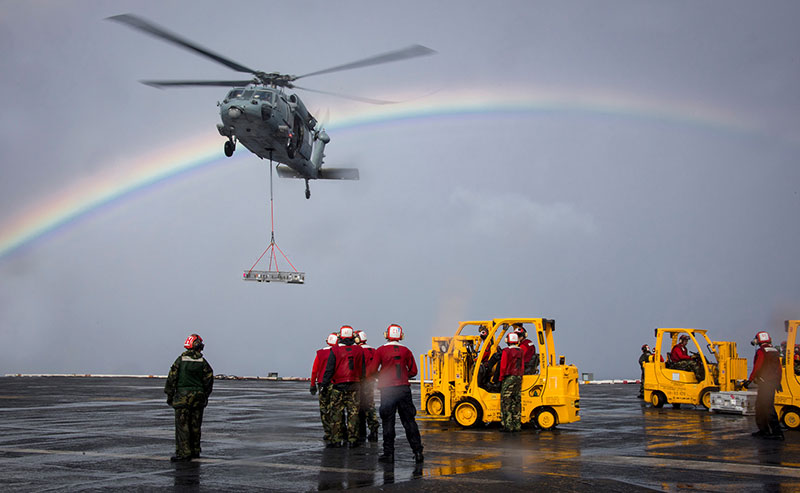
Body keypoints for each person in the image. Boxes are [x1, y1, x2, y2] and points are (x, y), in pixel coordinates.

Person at [368, 324, 424, 463]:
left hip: (387, 390)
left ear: (386, 335)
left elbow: (371, 370)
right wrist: (404, 375)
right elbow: (413, 371)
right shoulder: (406, 351)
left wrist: (381, 376)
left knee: (388, 422)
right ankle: (417, 452)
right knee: (409, 422)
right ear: (401, 336)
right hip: (404, 389)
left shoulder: (380, 351)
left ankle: (389, 454)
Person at [164, 333, 214, 462]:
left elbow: (172, 379)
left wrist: (170, 395)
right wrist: (204, 395)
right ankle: (195, 450)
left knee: (183, 426)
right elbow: (209, 380)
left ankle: (184, 453)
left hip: (182, 399)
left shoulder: (180, 360)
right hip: (198, 399)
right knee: (195, 425)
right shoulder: (203, 362)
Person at [322, 325, 365, 448]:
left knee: (336, 414)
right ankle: (353, 439)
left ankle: (336, 439)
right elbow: (362, 370)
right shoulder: (359, 350)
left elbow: (329, 370)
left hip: (338, 387)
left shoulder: (334, 351)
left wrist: (324, 385)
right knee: (353, 414)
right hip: (355, 386)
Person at [746, 331, 783, 440]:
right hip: (771, 382)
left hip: (765, 383)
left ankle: (777, 433)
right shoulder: (775, 351)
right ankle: (764, 431)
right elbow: (779, 369)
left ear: (758, 340)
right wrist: (778, 382)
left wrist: (750, 379)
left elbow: (758, 366)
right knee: (761, 406)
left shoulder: (761, 352)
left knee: (767, 408)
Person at [311, 333, 339, 446]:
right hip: (336, 383)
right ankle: (338, 432)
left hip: (322, 383)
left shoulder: (320, 353)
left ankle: (328, 432)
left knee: (324, 409)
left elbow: (314, 370)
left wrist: (312, 384)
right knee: (336, 409)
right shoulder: (339, 351)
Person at [355, 330, 380, 443]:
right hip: (371, 382)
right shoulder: (373, 350)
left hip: (360, 382)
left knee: (358, 407)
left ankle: (360, 432)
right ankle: (374, 430)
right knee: (370, 406)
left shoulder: (357, 350)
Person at [499, 332, 524, 432]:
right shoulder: (521, 351)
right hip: (518, 377)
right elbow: (522, 365)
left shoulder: (506, 351)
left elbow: (503, 366)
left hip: (509, 377)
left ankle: (508, 426)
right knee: (516, 401)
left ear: (507, 341)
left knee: (506, 401)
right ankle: (517, 425)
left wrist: (501, 378)